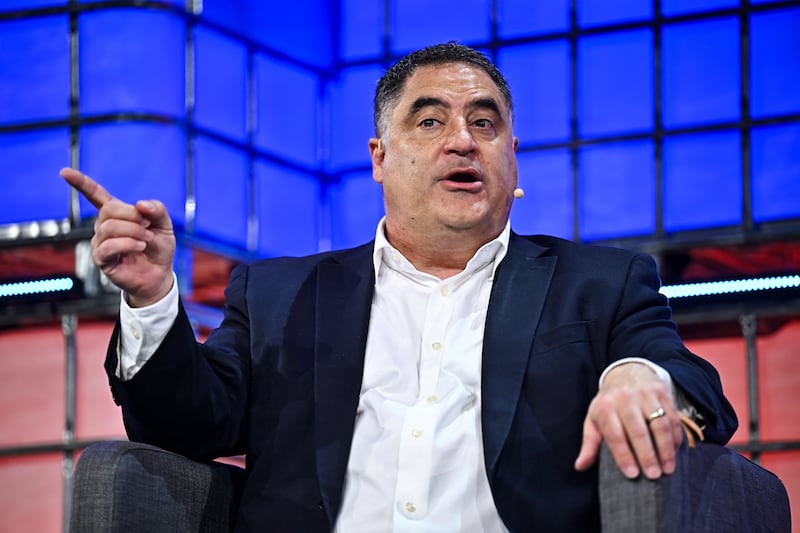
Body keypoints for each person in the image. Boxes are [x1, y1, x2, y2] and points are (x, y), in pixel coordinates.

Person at [61, 42, 737, 532]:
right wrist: (151, 297)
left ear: (512, 158)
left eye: (484, 123)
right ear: (379, 158)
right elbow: (186, 425)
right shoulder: (278, 294)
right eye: (430, 120)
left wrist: (638, 375)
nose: (463, 141)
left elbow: (697, 385)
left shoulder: (599, 283)